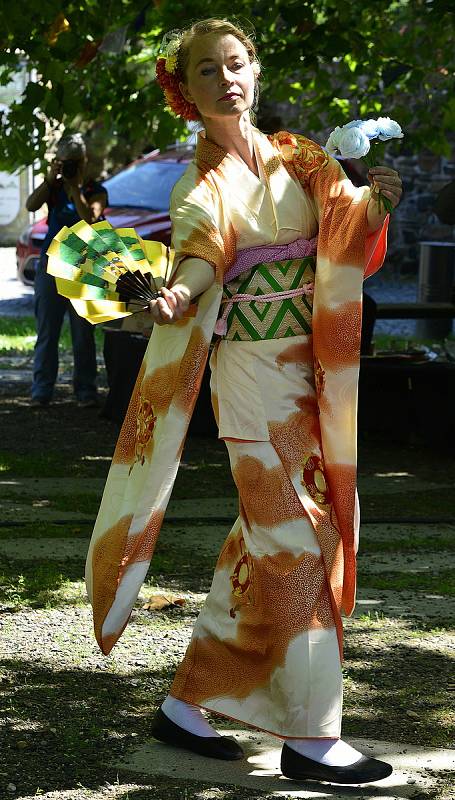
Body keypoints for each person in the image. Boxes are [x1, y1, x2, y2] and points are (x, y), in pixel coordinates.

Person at [84, 19, 402, 784]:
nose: (225, 78)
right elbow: (200, 257)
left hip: (310, 371)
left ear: (253, 71)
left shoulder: (301, 156)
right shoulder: (200, 185)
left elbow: (343, 228)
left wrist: (375, 205)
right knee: (302, 536)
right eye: (205, 70)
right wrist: (173, 299)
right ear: (184, 91)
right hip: (253, 378)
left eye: (235, 63)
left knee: (267, 540)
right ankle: (310, 736)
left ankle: (189, 701)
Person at [26, 133, 108, 407]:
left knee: (82, 331)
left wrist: (75, 188)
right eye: (65, 162)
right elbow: (31, 205)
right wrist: (51, 180)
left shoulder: (95, 189)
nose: (70, 166)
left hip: (85, 266)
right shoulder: (54, 187)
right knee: (47, 329)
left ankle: (85, 390)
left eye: (74, 161)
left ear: (84, 161)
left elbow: (91, 219)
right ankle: (41, 390)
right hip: (52, 263)